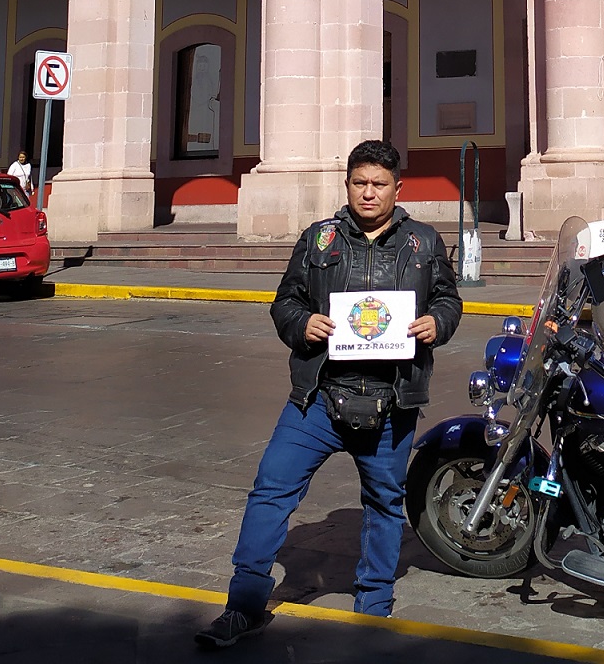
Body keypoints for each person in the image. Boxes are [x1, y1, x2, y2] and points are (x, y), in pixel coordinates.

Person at [196, 140, 461, 649]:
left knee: (384, 504)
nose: (368, 193)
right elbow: (285, 303)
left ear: (396, 189)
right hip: (318, 397)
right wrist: (303, 324)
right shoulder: (319, 240)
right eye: (359, 183)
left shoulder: (424, 243)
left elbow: (448, 298)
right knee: (270, 491)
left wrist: (437, 322)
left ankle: (373, 610)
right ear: (347, 186)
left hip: (392, 402)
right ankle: (244, 605)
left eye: (378, 184)